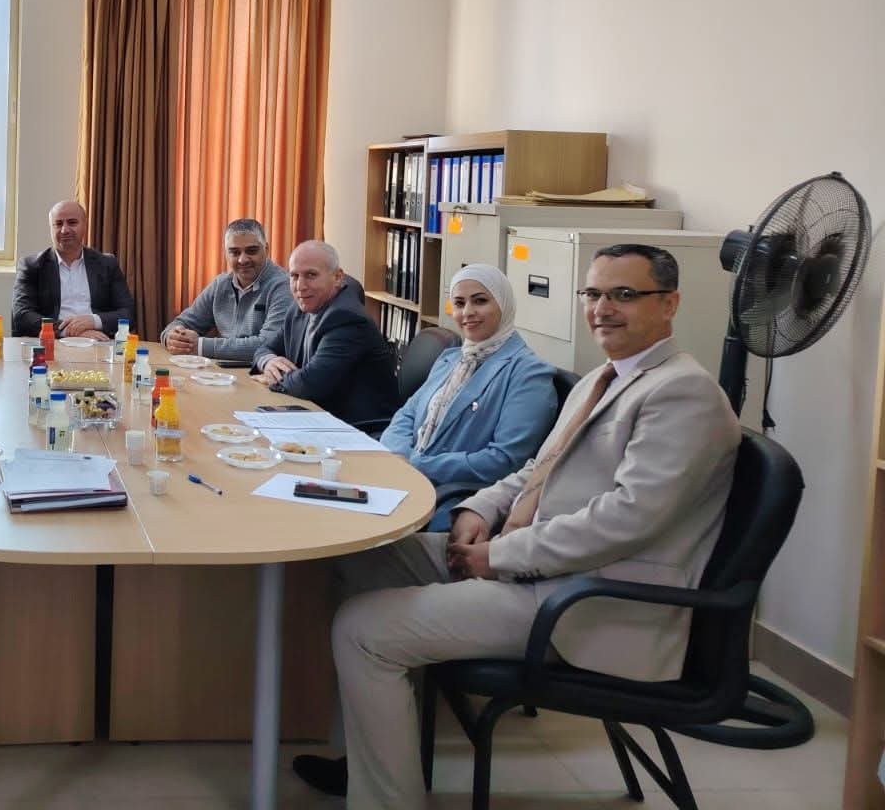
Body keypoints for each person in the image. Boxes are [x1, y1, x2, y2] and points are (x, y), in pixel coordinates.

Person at [293, 244, 740, 806]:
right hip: (537, 566)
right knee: (362, 558)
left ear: (669, 303)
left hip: (583, 599)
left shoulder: (682, 392)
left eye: (625, 295)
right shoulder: (603, 378)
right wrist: (479, 510)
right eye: (594, 293)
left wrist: (501, 556)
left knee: (361, 630)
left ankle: (387, 799)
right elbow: (536, 467)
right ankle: (373, 757)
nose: (603, 308)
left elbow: (625, 520)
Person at [380, 263, 559, 529]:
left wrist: (418, 464)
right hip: (407, 479)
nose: (467, 312)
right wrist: (399, 454)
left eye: (480, 301)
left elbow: (505, 460)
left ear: (504, 304)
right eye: (459, 303)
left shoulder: (528, 373)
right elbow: (407, 414)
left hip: (455, 498)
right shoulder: (451, 359)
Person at [252, 241, 396, 425]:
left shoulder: (347, 319)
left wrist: (273, 378)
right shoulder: (301, 306)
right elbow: (264, 348)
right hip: (316, 415)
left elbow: (309, 384)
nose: (300, 286)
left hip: (354, 427)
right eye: (294, 276)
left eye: (311, 275)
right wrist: (268, 361)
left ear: (337, 277)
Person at [160, 217, 290, 363]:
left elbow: (268, 344)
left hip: (260, 373)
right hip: (221, 371)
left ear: (266, 249)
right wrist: (172, 337)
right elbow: (184, 322)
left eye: (251, 251)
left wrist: (201, 346)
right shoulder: (220, 284)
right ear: (226, 254)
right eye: (235, 252)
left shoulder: (284, 286)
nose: (242, 260)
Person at [10, 199, 136, 339]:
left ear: (85, 226)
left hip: (99, 343)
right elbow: (22, 315)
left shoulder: (107, 264)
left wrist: (93, 321)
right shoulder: (32, 266)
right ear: (51, 228)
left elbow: (128, 314)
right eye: (58, 224)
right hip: (53, 342)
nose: (65, 230)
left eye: (72, 223)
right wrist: (69, 331)